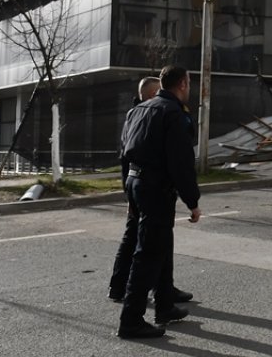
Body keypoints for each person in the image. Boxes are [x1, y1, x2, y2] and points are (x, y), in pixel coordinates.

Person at [117, 66, 201, 340]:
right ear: (183, 84)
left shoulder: (139, 110)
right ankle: (131, 320)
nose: (190, 87)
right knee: (148, 253)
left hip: (136, 182)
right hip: (155, 187)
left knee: (160, 245)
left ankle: (164, 305)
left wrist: (128, 193)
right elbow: (181, 163)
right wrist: (193, 201)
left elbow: (125, 154)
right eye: (189, 83)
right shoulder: (173, 114)